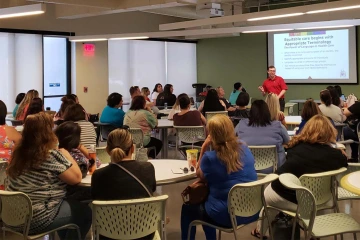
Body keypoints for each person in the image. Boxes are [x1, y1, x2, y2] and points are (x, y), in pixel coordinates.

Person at [254, 115, 348, 238]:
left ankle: (259, 230)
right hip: (321, 200)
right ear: (330, 132)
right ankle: (314, 230)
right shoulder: (337, 157)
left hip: (290, 198)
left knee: (268, 193)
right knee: (318, 195)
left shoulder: (295, 148)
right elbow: (344, 162)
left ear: (307, 130)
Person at [6, 112, 91, 239]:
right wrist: (66, 154)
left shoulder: (18, 154)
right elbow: (76, 178)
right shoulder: (49, 155)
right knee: (84, 213)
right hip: (37, 219)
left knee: (68, 205)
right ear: (48, 132)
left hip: (12, 217)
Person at [181, 115, 258, 240]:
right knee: (208, 202)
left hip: (227, 215)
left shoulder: (210, 158)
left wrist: (204, 147)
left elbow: (198, 174)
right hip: (252, 210)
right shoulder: (244, 147)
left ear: (212, 135)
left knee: (189, 208)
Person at [92, 129, 156, 240]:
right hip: (144, 233)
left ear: (107, 150)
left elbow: (94, 198)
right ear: (133, 148)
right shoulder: (148, 168)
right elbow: (152, 189)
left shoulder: (98, 175)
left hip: (108, 235)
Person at [235, 100, 289, 171]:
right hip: (274, 171)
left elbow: (231, 139)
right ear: (267, 112)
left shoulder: (241, 125)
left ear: (251, 112)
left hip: (247, 168)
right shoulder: (278, 126)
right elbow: (288, 141)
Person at [55, 121, 100, 201]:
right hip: (72, 192)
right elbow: (96, 162)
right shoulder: (76, 155)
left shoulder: (57, 153)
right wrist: (81, 147)